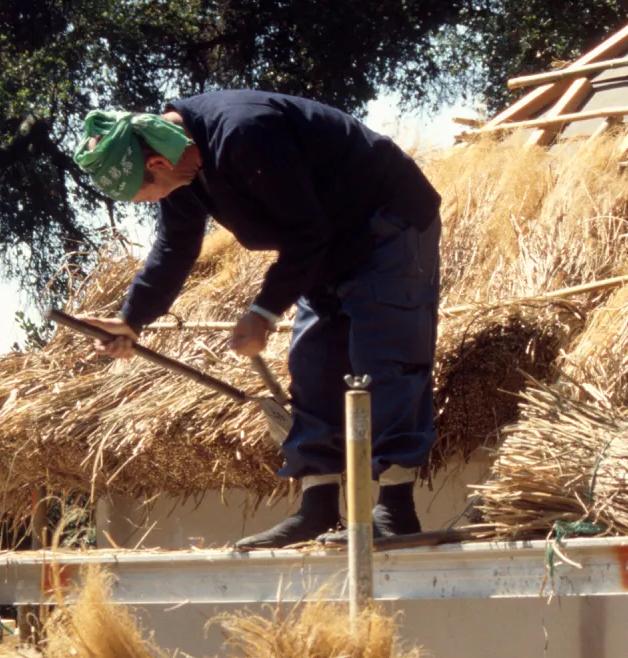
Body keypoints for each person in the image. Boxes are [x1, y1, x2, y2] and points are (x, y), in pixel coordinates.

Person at [73, 90, 441, 548]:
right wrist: (131, 319)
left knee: (386, 356)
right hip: (326, 242)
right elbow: (175, 246)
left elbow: (308, 233)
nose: (156, 201)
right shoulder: (182, 164)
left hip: (386, 222)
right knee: (311, 363)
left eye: (149, 194)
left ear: (158, 166)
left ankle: (396, 508)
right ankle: (319, 506)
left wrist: (264, 311)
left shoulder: (245, 133)